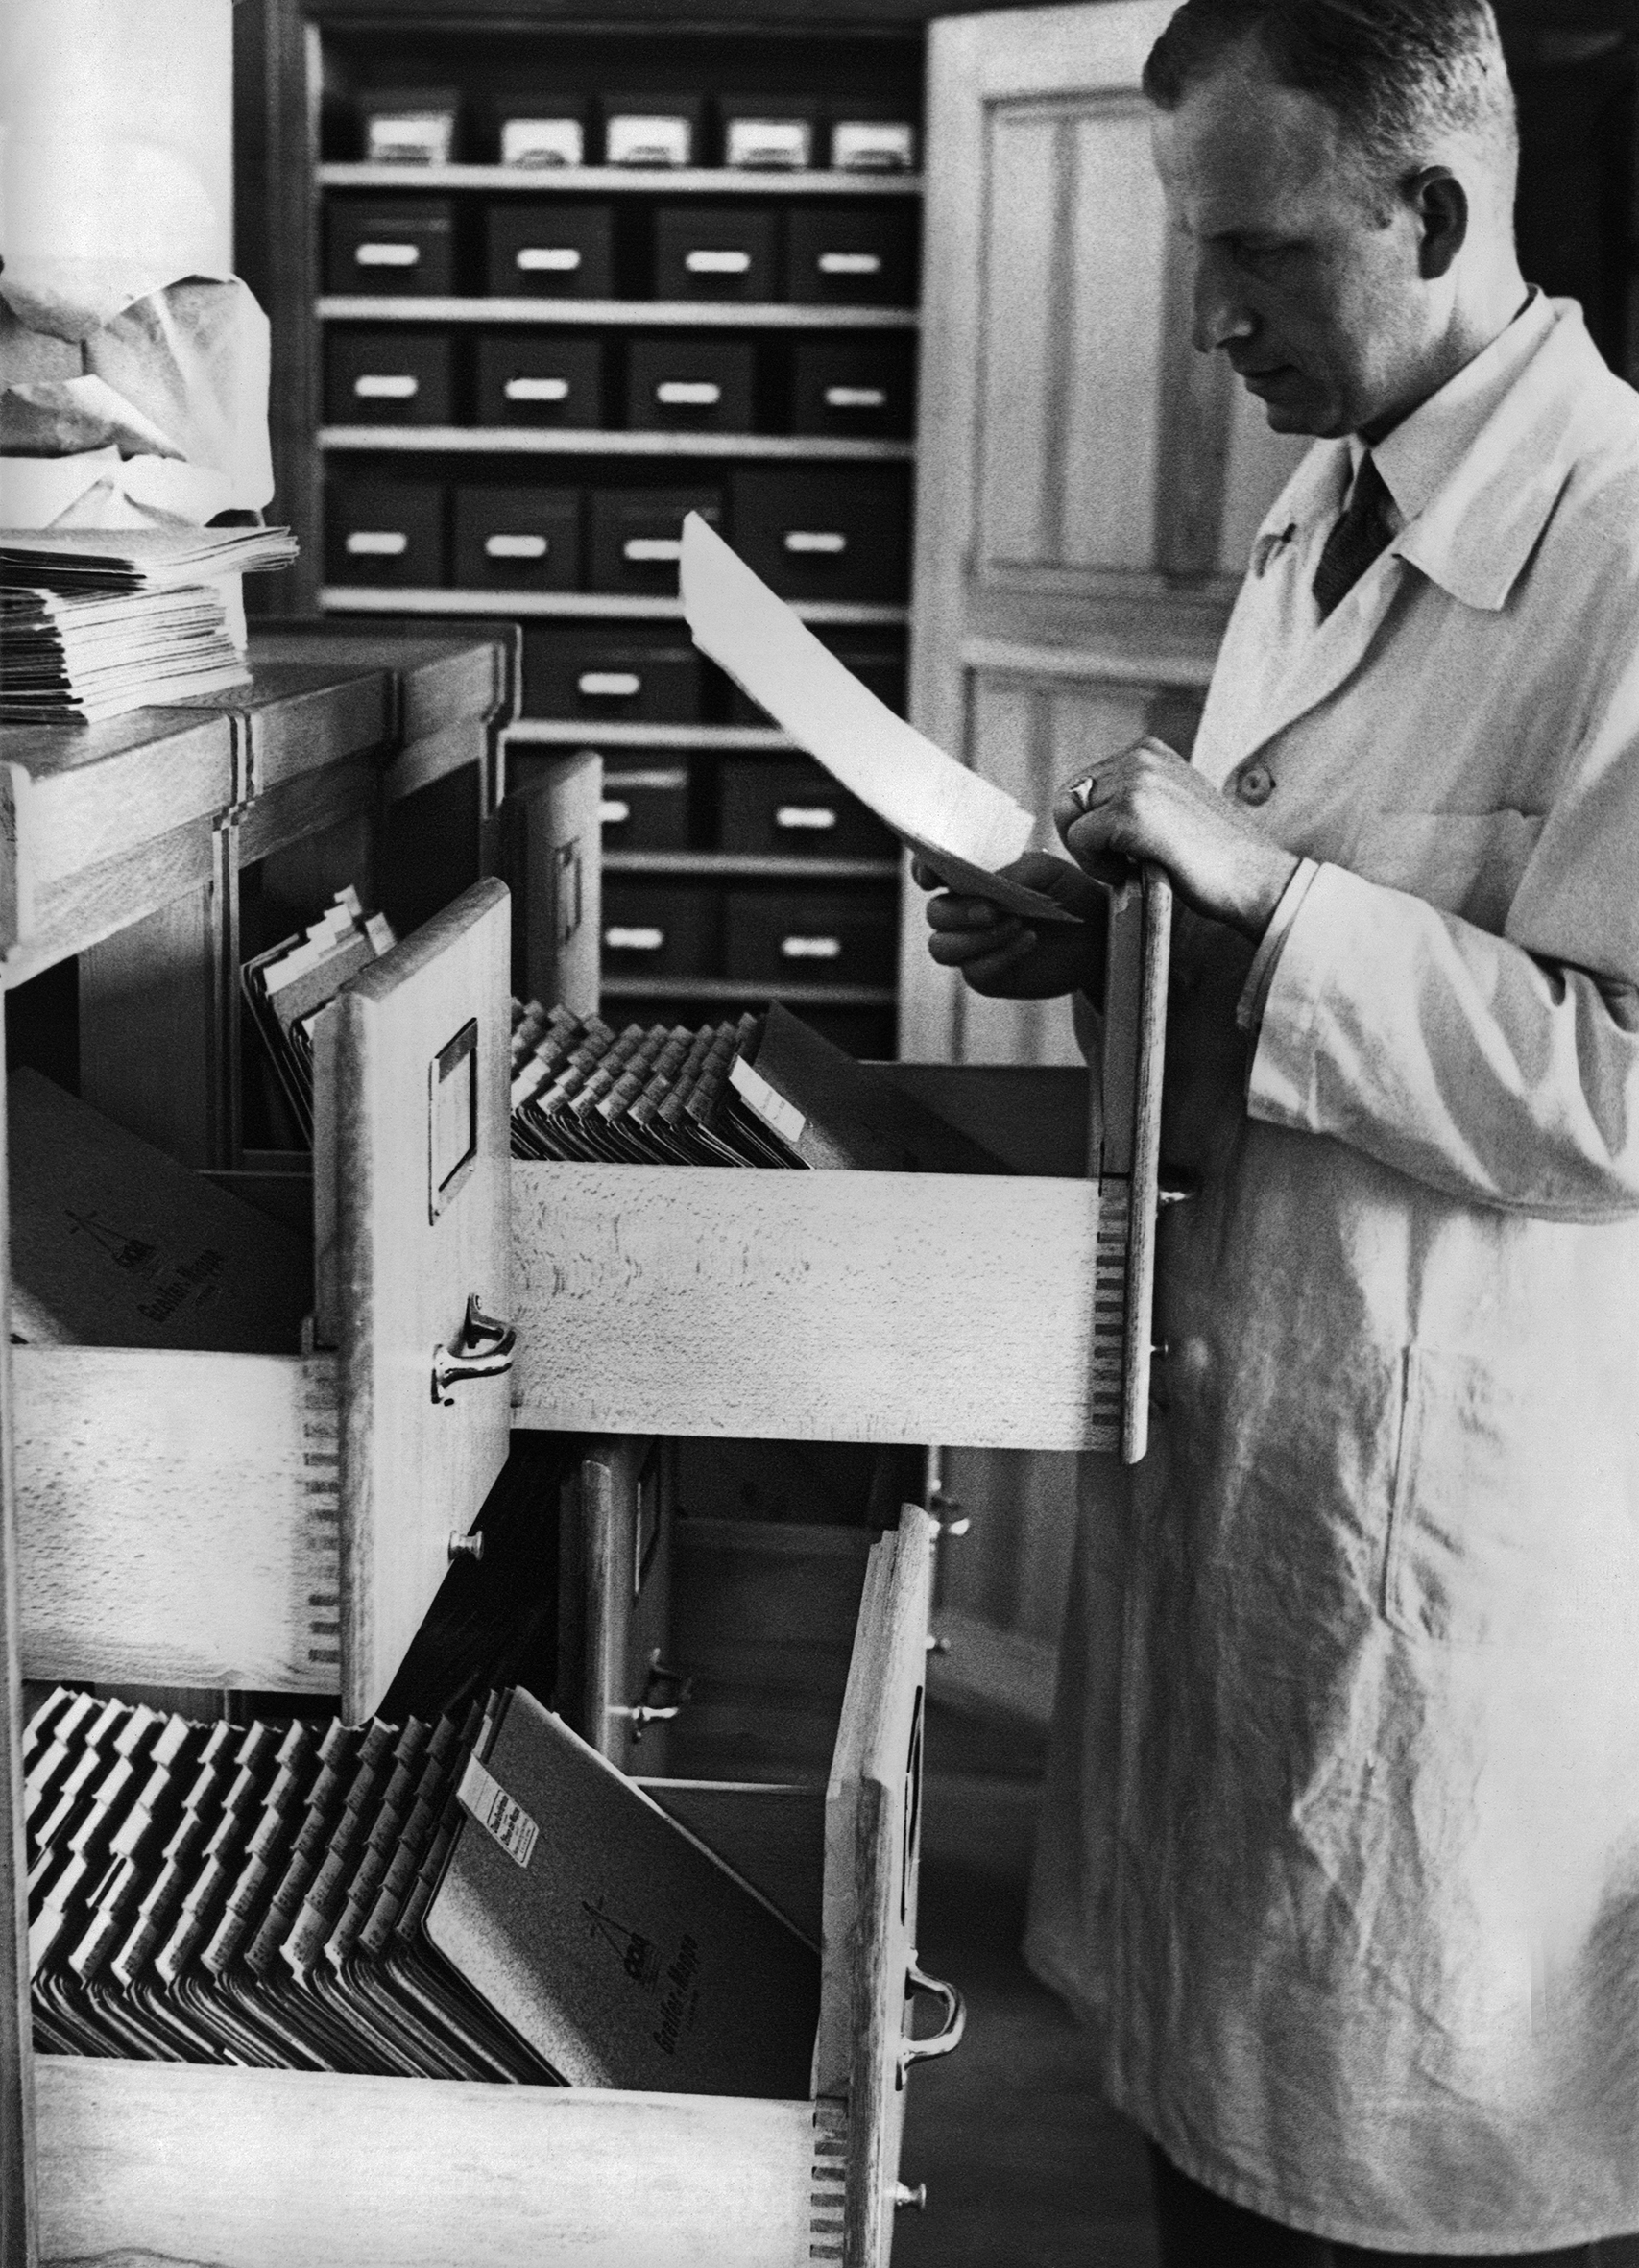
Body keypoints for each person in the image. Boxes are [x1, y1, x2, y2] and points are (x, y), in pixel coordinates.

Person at [921, 3, 1639, 2260]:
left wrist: (1262, 891)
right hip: (1258, 1455)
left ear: (1429, 212)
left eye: (1261, 249)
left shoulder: (1620, 548)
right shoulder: (1320, 499)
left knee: (1399, 2178)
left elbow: (1612, 1082)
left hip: (1465, 1562)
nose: (1212, 314)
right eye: (1190, 246)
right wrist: (1125, 918)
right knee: (1214, 2161)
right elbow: (1308, 931)